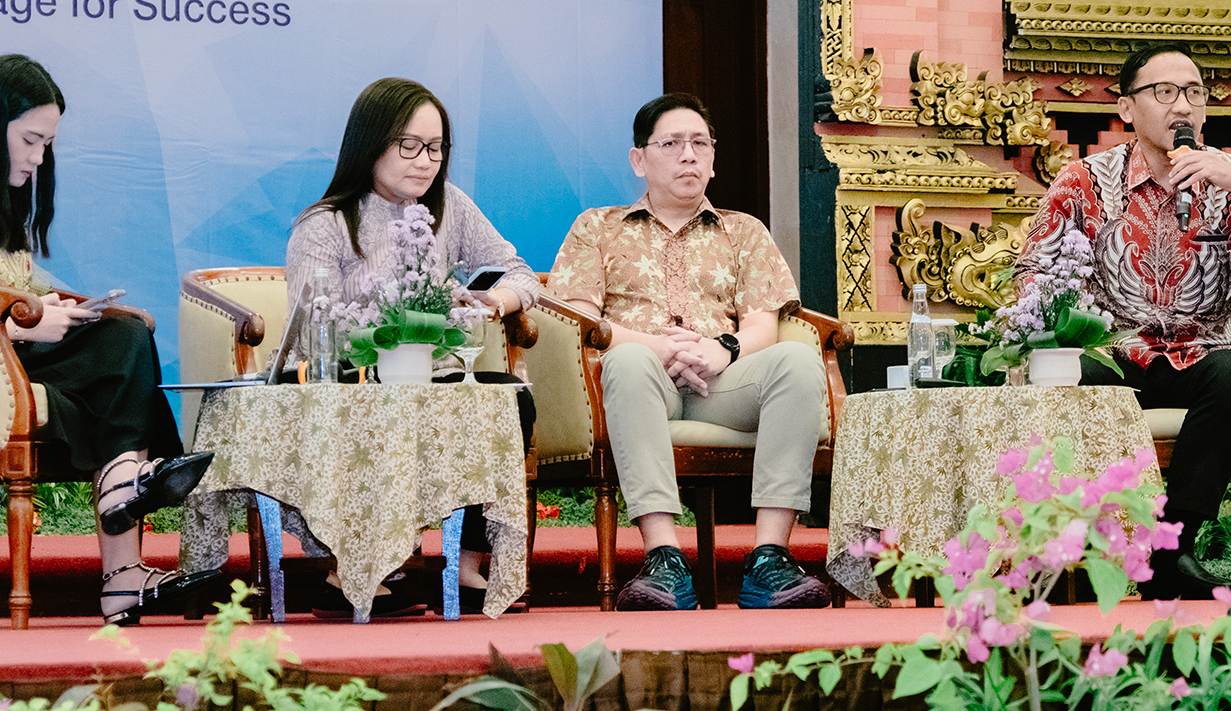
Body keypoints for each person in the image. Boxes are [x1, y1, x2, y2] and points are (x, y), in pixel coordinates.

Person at [0, 54, 216, 625]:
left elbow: (31, 288)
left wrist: (91, 311)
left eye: (47, 144)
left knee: (122, 334)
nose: (39, 157)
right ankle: (123, 549)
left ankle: (123, 516)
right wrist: (19, 324)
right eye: (30, 140)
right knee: (120, 348)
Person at [1016, 42, 1231, 599]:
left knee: (1230, 378)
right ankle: (1075, 553)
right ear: (1128, 108)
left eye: (1194, 93)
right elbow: (1034, 271)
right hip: (1115, 352)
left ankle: (1172, 549)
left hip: (1208, 351)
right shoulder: (1082, 181)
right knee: (1070, 380)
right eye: (1164, 92)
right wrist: (1055, 327)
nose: (1182, 106)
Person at [546, 92, 830, 610]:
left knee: (797, 359)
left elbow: (765, 323)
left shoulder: (744, 231)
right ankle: (664, 561)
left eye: (700, 143)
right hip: (641, 380)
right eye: (672, 143)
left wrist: (722, 349)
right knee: (627, 362)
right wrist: (655, 346)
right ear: (639, 159)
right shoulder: (597, 228)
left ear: (714, 157)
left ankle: (769, 558)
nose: (689, 155)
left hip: (722, 383)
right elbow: (580, 321)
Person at [286, 76, 539, 614]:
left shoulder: (450, 207)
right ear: (370, 143)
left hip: (437, 378)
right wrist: (389, 319)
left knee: (509, 396)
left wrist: (486, 302)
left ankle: (468, 568)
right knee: (356, 408)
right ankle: (354, 567)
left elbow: (522, 274)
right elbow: (313, 327)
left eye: (436, 148)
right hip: (359, 380)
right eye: (410, 146)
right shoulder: (326, 224)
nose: (425, 162)